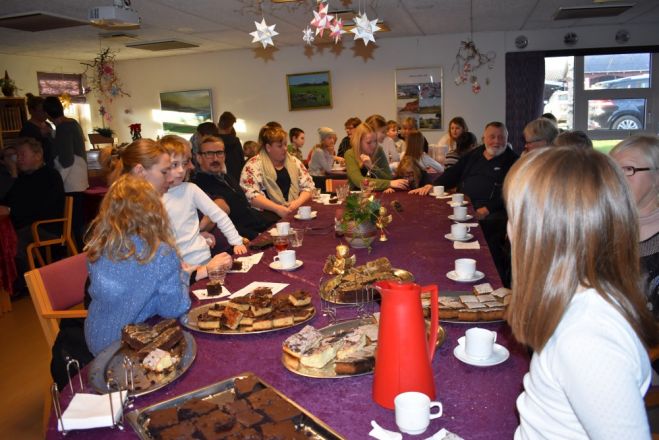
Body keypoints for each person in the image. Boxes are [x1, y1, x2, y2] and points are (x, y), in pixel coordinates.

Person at [504, 147, 658, 439]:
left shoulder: (587, 339)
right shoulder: (582, 305)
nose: (508, 231)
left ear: (543, 232)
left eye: (514, 217)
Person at [83, 174, 192, 356]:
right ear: (155, 211)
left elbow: (130, 291)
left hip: (96, 338)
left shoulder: (99, 247)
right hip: (130, 345)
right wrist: (184, 276)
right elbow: (173, 308)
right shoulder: (160, 252)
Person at [429, 122, 518, 286]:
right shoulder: (475, 154)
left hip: (493, 215)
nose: (496, 141)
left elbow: (513, 192)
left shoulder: (514, 161)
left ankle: (495, 285)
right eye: (492, 137)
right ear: (484, 138)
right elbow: (454, 172)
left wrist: (488, 209)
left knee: (490, 251)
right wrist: (433, 186)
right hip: (463, 208)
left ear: (507, 139)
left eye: (501, 137)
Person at [161, 135, 246, 265]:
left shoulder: (190, 189)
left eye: (184, 164)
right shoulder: (154, 196)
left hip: (203, 258)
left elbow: (219, 215)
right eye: (174, 165)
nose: (181, 171)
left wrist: (236, 241)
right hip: (179, 265)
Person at [0, 138, 64, 291]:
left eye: (22, 155)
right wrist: (14, 175)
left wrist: (10, 211)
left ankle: (27, 285)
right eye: (17, 155)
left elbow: (40, 208)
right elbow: (7, 200)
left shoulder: (50, 176)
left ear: (37, 155)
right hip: (27, 224)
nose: (18, 159)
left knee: (12, 241)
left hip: (46, 226)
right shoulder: (23, 177)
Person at [610, 135, 659, 321]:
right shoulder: (604, 227)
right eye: (614, 170)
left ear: (656, 177)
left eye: (628, 169)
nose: (618, 179)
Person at [194, 136, 277, 239]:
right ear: (199, 158)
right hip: (244, 237)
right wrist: (256, 236)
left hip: (258, 224)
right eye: (209, 154)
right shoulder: (198, 186)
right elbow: (222, 224)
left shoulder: (225, 176)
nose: (215, 158)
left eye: (219, 153)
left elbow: (245, 207)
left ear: (224, 156)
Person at [43, 96, 88, 249]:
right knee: (78, 222)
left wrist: (57, 182)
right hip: (78, 179)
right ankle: (82, 253)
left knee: (75, 223)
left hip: (70, 181)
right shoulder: (72, 123)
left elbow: (67, 160)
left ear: (47, 114)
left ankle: (80, 255)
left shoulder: (63, 127)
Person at [240, 125, 314, 218]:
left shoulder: (294, 161)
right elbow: (250, 194)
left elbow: (309, 186)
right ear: (268, 147)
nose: (285, 148)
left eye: (285, 144)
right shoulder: (253, 165)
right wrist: (277, 208)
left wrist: (296, 203)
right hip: (266, 216)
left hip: (294, 211)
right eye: (280, 146)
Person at [344, 123, 408, 192]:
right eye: (369, 142)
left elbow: (388, 177)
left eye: (375, 141)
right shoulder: (350, 154)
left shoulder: (379, 150)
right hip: (357, 196)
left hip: (378, 194)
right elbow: (359, 181)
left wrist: (372, 167)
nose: (374, 145)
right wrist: (388, 184)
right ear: (358, 142)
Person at [19, 93, 54, 168]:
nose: (45, 114)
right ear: (31, 111)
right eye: (41, 111)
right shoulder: (27, 128)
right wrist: (40, 136)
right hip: (37, 167)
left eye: (46, 111)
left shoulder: (48, 124)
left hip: (51, 165)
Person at [217, 111, 245, 183]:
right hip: (236, 176)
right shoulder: (235, 141)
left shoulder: (213, 141)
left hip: (219, 176)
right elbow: (241, 161)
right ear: (230, 126)